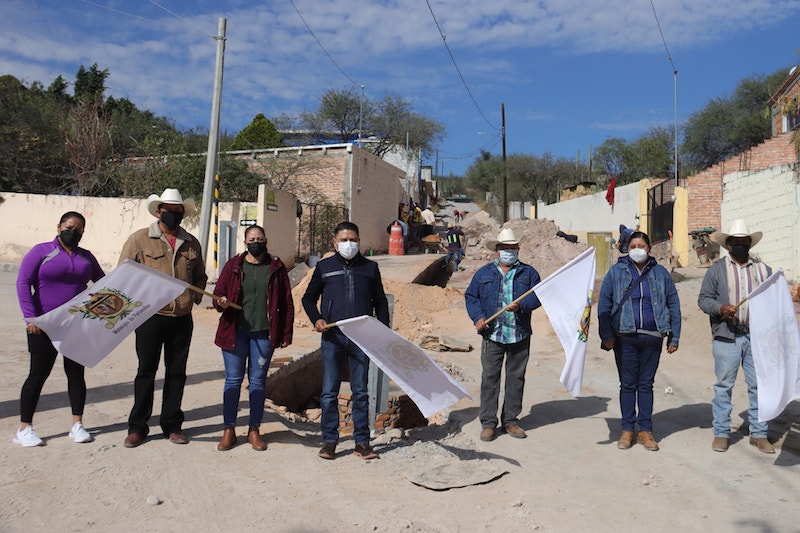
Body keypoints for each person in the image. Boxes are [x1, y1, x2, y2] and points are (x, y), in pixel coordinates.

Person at [119, 188, 207, 448]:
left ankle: (172, 424)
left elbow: (200, 275)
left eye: (178, 212)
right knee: (146, 372)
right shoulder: (139, 240)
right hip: (150, 317)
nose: (174, 215)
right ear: (159, 212)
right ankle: (137, 427)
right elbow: (123, 276)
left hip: (181, 318)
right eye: (169, 211)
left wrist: (195, 298)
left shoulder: (191, 243)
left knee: (177, 373)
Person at [14, 212, 105, 446]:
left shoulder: (86, 258)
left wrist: (94, 315)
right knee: (38, 374)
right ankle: (25, 428)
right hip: (43, 324)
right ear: (59, 227)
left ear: (83, 232)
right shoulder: (42, 251)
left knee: (76, 374)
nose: (72, 231)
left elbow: (105, 286)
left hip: (75, 325)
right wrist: (30, 318)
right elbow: (23, 283)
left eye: (78, 229)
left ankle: (77, 425)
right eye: (68, 226)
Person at [301, 221, 390, 460]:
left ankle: (362, 442)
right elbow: (308, 299)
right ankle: (330, 440)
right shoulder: (324, 267)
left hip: (361, 338)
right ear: (334, 242)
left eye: (353, 239)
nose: (348, 244)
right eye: (343, 240)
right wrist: (317, 319)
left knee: (360, 391)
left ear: (359, 241)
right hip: (333, 337)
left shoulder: (370, 268)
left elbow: (380, 302)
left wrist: (382, 329)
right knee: (329, 391)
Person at [598, 231, 681, 452]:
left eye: (641, 245)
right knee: (627, 385)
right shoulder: (616, 272)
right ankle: (627, 430)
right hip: (624, 337)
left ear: (648, 248)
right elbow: (604, 304)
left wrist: (675, 335)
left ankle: (645, 429)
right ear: (627, 248)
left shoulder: (661, 273)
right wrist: (606, 334)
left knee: (646, 385)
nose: (637, 249)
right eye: (633, 245)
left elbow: (673, 303)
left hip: (653, 337)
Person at [213, 225, 294, 451]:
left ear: (266, 240)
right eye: (251, 238)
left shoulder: (276, 267)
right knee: (233, 381)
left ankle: (254, 429)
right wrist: (221, 301)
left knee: (257, 382)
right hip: (235, 333)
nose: (255, 242)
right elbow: (218, 293)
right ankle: (229, 429)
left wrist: (285, 334)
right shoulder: (234, 265)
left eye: (259, 238)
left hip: (264, 334)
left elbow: (286, 303)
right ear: (245, 242)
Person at [698, 219, 774, 454]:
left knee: (759, 386)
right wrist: (721, 308)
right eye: (736, 243)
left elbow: (773, 300)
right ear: (728, 245)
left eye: (744, 242)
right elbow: (703, 300)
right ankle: (721, 432)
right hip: (726, 337)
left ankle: (759, 433)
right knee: (723, 386)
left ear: (749, 244)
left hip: (756, 337)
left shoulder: (764, 270)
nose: (741, 246)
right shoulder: (716, 270)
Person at [464, 228, 541, 442]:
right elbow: (471, 297)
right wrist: (478, 318)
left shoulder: (529, 273)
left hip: (519, 333)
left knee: (515, 378)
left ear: (518, 249)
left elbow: (538, 296)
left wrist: (522, 306)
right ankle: (488, 423)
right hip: (493, 334)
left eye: (513, 248)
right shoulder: (484, 274)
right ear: (497, 251)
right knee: (490, 378)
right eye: (505, 248)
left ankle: (511, 421)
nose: (509, 251)